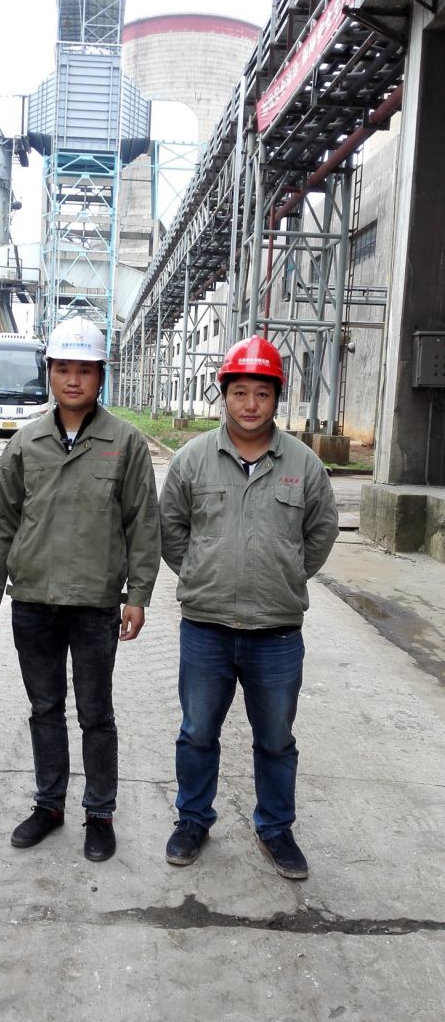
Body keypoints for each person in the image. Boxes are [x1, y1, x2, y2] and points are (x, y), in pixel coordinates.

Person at [0, 317, 161, 863]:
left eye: (85, 370)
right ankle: (49, 805)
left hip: (95, 604)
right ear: (49, 373)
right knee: (44, 708)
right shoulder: (26, 443)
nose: (73, 380)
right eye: (63, 369)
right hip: (34, 601)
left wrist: (138, 595)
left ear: (101, 376)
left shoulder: (124, 443)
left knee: (96, 714)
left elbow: (142, 524)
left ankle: (100, 814)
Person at [159, 335, 338, 879]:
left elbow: (321, 532)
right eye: (240, 392)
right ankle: (193, 819)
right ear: (225, 395)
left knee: (276, 739)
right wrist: (202, 573)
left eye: (262, 393)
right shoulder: (192, 460)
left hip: (276, 633)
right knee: (197, 733)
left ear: (276, 397)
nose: (251, 404)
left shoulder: (303, 464)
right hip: (206, 628)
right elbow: (171, 530)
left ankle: (276, 828)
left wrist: (284, 576)